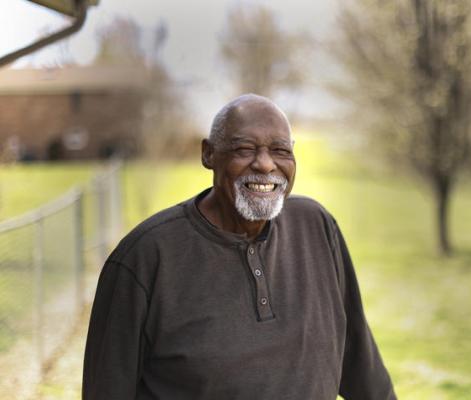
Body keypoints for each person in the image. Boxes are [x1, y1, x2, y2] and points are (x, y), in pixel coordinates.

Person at [83, 94, 396, 400]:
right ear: (209, 154)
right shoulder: (145, 257)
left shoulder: (316, 227)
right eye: (245, 149)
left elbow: (360, 364)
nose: (264, 164)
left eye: (280, 150)